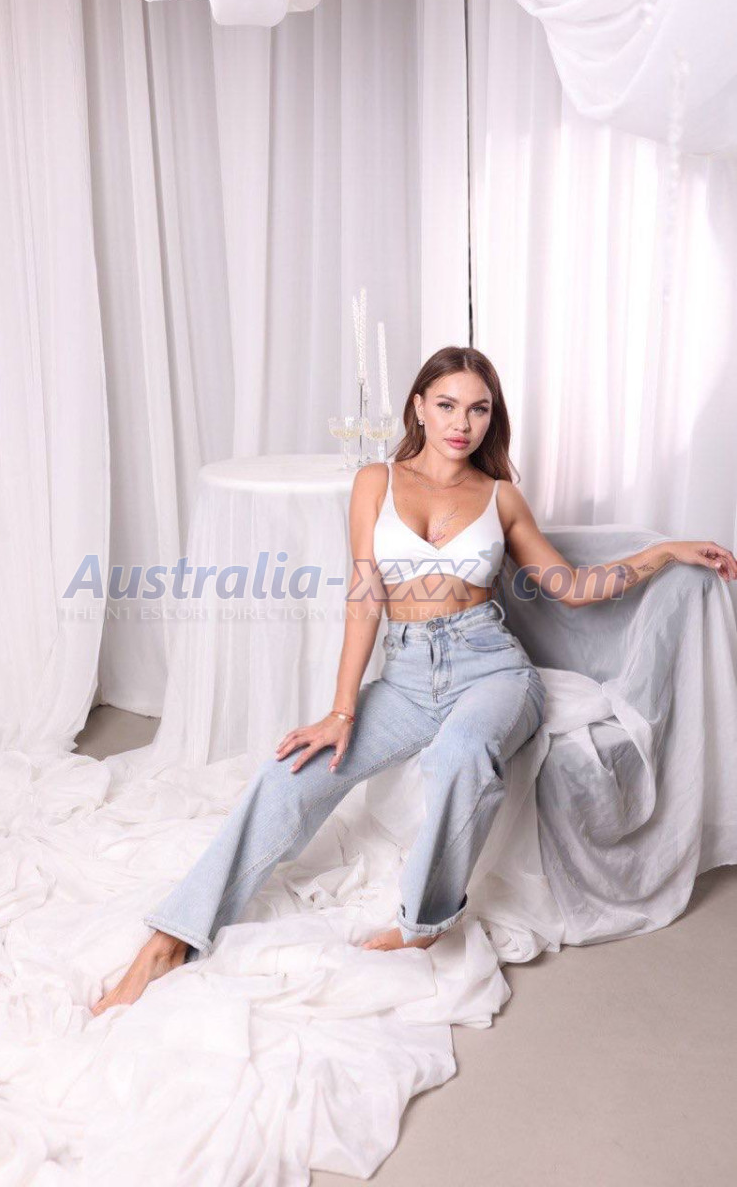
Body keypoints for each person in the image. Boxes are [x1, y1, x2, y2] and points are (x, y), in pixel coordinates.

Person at [92, 346, 736, 1015]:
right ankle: (172, 938)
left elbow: (571, 587)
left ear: (492, 417)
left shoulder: (500, 497)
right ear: (419, 407)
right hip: (403, 678)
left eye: (478, 409)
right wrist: (341, 711)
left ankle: (424, 922)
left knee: (462, 753)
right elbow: (364, 597)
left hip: (492, 670)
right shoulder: (376, 482)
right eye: (448, 405)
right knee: (287, 776)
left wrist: (663, 552)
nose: (462, 423)